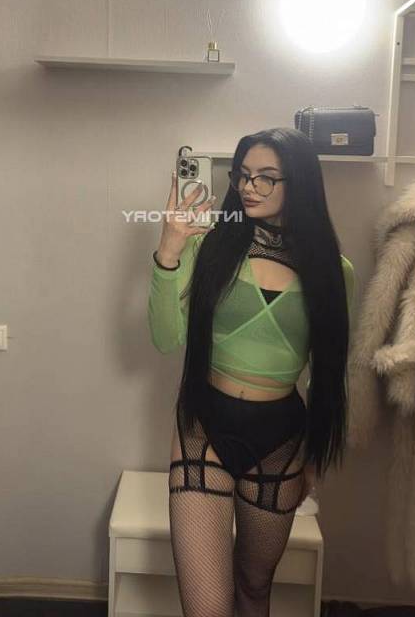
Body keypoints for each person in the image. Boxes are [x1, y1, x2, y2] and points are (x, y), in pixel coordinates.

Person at [147, 127, 355, 617]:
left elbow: (328, 375)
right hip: (204, 428)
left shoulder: (334, 271)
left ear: (298, 183)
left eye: (266, 177)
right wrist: (169, 252)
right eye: (242, 175)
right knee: (207, 609)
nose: (248, 187)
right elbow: (165, 338)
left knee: (254, 587)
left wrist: (310, 461)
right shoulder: (209, 247)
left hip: (280, 441)